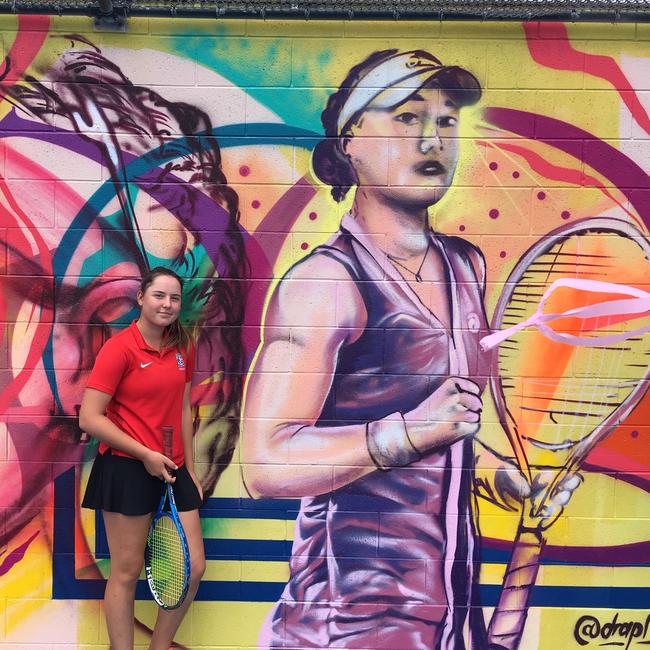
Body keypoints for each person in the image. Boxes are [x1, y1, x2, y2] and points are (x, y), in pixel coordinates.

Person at [241, 49, 559, 650]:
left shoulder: (465, 266)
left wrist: (495, 476)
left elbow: (440, 427)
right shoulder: (326, 283)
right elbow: (264, 460)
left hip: (446, 627)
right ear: (350, 140)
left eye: (445, 121)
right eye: (407, 118)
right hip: (344, 631)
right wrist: (409, 433)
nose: (432, 138)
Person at [79, 266, 206, 650]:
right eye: (159, 296)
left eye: (174, 298)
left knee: (194, 568)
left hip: (172, 469)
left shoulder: (183, 345)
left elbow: (183, 409)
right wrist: (144, 454)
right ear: (141, 298)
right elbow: (90, 417)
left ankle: (159, 646)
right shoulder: (119, 349)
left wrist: (191, 469)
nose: (167, 304)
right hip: (126, 467)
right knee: (126, 571)